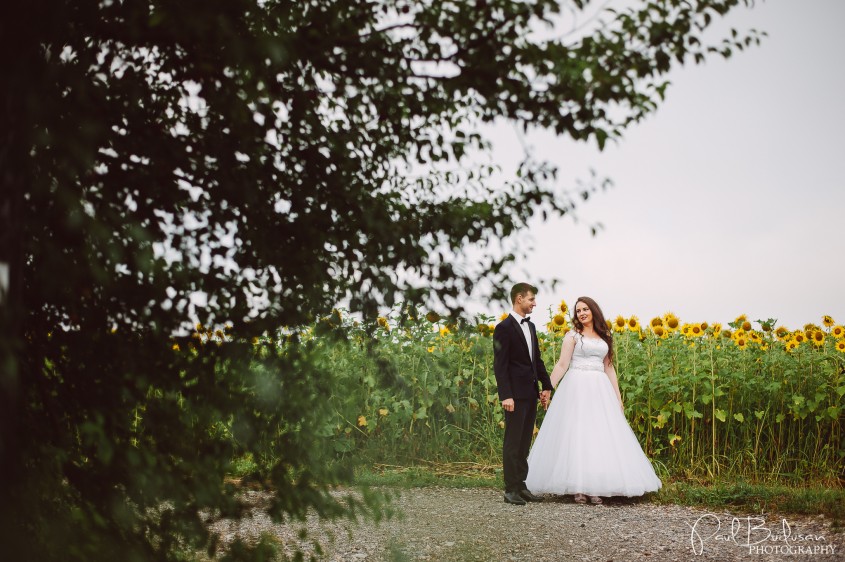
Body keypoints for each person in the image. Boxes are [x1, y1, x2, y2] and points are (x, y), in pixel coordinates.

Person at [525, 296, 662, 504]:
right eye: (578, 310)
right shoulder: (572, 336)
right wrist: (548, 389)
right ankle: (579, 487)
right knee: (578, 433)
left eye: (585, 309)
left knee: (598, 433)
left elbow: (609, 367)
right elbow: (562, 365)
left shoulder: (605, 335)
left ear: (593, 311)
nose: (581, 313)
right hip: (576, 387)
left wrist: (618, 397)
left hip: (600, 388)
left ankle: (596, 485)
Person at [493, 283, 553, 505]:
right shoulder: (503, 328)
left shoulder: (532, 327)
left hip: (530, 393)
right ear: (519, 299)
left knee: (525, 441)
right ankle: (510, 489)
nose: (535, 303)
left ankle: (521, 485)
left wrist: (546, 385)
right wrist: (505, 395)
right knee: (513, 441)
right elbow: (500, 365)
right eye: (531, 299)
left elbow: (536, 360)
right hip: (514, 396)